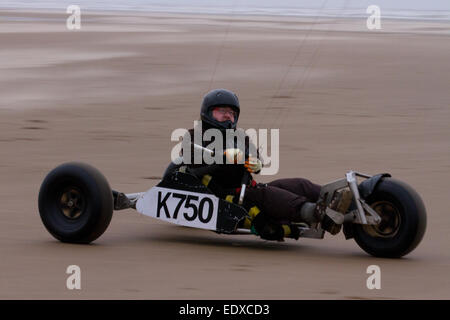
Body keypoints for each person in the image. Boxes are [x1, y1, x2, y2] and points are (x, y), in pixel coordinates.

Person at [178, 88, 340, 241]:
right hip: (225, 198)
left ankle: (340, 200)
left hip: (247, 189)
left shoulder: (239, 136)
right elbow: (192, 171)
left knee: (300, 184)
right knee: (268, 196)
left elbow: (254, 157)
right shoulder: (193, 137)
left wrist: (256, 163)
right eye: (222, 112)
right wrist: (221, 158)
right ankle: (316, 213)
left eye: (231, 113)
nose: (228, 116)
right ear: (207, 113)